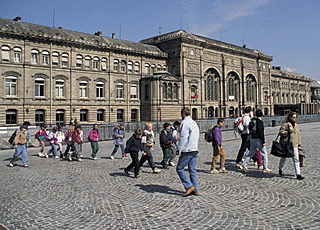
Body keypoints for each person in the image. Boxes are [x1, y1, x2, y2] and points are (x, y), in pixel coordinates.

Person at [176, 108, 200, 197]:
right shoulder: (194, 123)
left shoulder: (184, 123)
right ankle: (196, 189)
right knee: (192, 170)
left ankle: (189, 186)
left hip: (187, 149)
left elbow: (183, 137)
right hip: (194, 148)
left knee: (179, 168)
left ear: (183, 114)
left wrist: (179, 149)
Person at [279, 112, 304, 180]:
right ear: (290, 117)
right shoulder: (286, 124)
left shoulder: (296, 125)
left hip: (294, 144)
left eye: (296, 117)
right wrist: (288, 131)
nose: (295, 119)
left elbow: (298, 135)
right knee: (284, 158)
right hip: (287, 144)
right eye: (293, 117)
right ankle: (280, 169)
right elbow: (281, 132)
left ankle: (298, 174)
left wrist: (299, 145)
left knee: (296, 159)